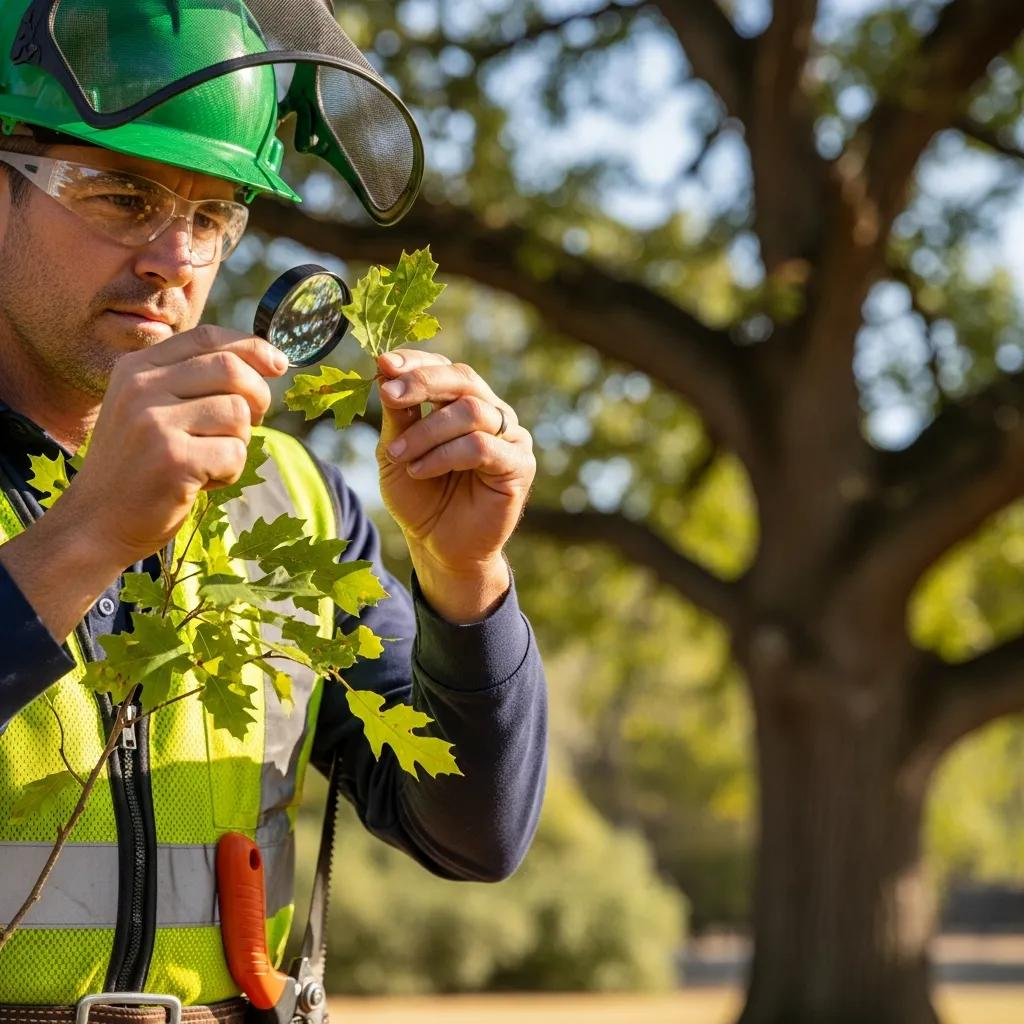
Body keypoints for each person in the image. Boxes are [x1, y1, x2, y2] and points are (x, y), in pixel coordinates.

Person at [0, 0, 547, 1015]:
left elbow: (474, 836)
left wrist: (464, 581)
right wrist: (86, 536)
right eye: (124, 196)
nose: (176, 261)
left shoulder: (286, 497)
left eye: (212, 217)